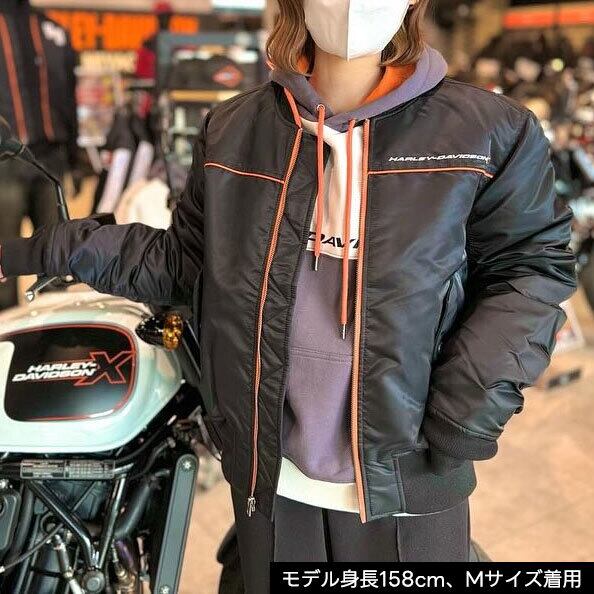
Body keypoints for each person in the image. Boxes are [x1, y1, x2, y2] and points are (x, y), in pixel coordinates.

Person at [0, 0, 577, 590]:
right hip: (270, 476)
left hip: (408, 475)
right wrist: (48, 248)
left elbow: (529, 269)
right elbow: (185, 262)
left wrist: (464, 411)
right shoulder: (234, 130)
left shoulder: (488, 132)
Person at [0, 0, 79, 310]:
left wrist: (74, 157)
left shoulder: (53, 31)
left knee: (56, 261)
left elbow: (69, 98)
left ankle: (54, 332)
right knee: (3, 263)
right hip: (3, 163)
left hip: (49, 162)